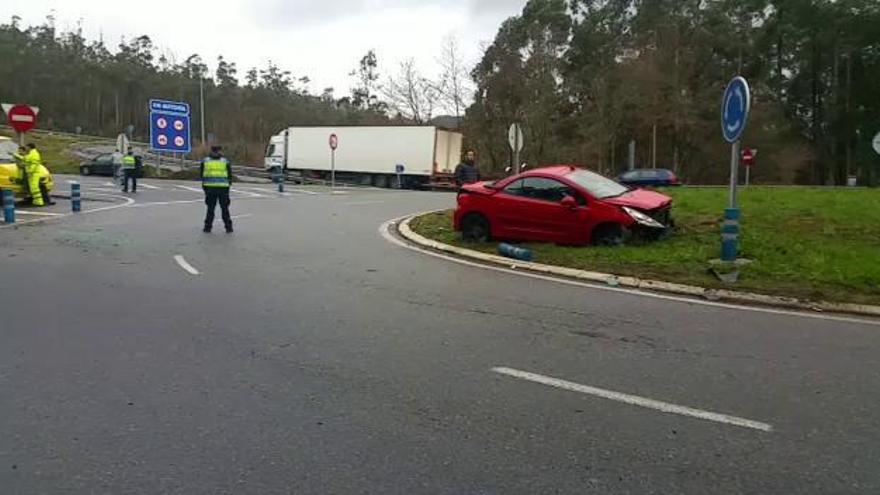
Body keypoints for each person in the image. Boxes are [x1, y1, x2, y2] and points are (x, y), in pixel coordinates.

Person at [200, 145, 233, 233]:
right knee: (225, 209)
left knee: (210, 209)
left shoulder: (205, 161)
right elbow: (230, 176)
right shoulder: (225, 161)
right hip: (223, 188)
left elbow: (202, 175)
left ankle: (207, 227)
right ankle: (228, 227)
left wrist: (204, 186)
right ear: (220, 151)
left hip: (210, 187)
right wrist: (228, 185)